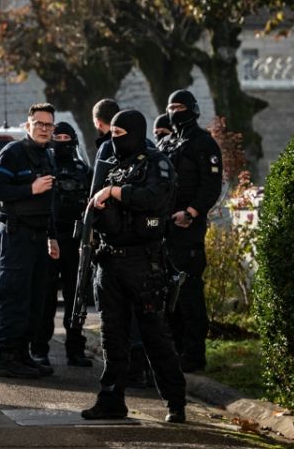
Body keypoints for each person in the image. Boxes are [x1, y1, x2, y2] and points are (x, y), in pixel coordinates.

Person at [80, 109, 186, 423]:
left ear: (137, 134)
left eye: (121, 135)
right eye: (111, 134)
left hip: (144, 262)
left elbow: (153, 198)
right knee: (112, 337)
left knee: (155, 334)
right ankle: (111, 402)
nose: (115, 141)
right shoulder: (111, 166)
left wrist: (114, 193)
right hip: (109, 262)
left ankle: (175, 403)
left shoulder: (157, 164)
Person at [0, 103, 63, 379]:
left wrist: (52, 236)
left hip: (39, 235)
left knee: (35, 300)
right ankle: (7, 359)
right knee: (15, 297)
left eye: (49, 125)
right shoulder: (13, 153)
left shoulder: (48, 156)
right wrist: (30, 188)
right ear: (27, 125)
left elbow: (48, 202)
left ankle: (23, 355)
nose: (44, 129)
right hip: (16, 235)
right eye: (39, 124)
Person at [162, 89, 222, 372]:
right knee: (167, 293)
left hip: (188, 229)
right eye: (171, 106)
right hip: (165, 230)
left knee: (189, 292)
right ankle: (174, 349)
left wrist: (191, 213)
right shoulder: (169, 143)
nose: (175, 111)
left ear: (193, 109)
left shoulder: (203, 143)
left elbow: (211, 186)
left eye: (180, 106)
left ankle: (194, 355)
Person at [30, 121, 94, 368]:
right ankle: (39, 349)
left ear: (74, 141)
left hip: (77, 243)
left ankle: (75, 350)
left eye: (67, 138)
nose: (63, 142)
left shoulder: (83, 171)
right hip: (50, 241)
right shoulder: (44, 168)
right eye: (59, 137)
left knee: (76, 298)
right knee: (45, 299)